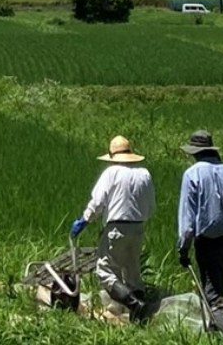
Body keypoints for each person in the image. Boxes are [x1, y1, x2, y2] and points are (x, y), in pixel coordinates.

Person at [71, 135, 155, 322]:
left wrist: (84, 220)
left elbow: (98, 202)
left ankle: (134, 305)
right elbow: (151, 207)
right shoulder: (144, 174)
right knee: (133, 273)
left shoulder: (111, 173)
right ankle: (139, 318)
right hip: (138, 228)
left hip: (116, 228)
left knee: (105, 271)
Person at [176, 130, 223, 331]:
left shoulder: (192, 174)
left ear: (195, 153)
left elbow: (187, 218)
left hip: (207, 242)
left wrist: (183, 248)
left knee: (213, 297)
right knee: (218, 290)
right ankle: (215, 330)